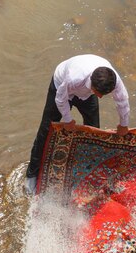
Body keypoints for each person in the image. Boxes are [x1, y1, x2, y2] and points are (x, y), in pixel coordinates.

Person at [25, 54, 130, 194]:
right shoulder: (74, 78)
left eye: (103, 95)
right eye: (98, 93)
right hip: (60, 87)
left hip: (86, 93)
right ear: (92, 84)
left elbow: (122, 102)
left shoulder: (114, 81)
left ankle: (89, 168)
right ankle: (31, 174)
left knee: (94, 130)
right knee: (46, 129)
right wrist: (68, 120)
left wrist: (123, 125)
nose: (99, 97)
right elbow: (60, 99)